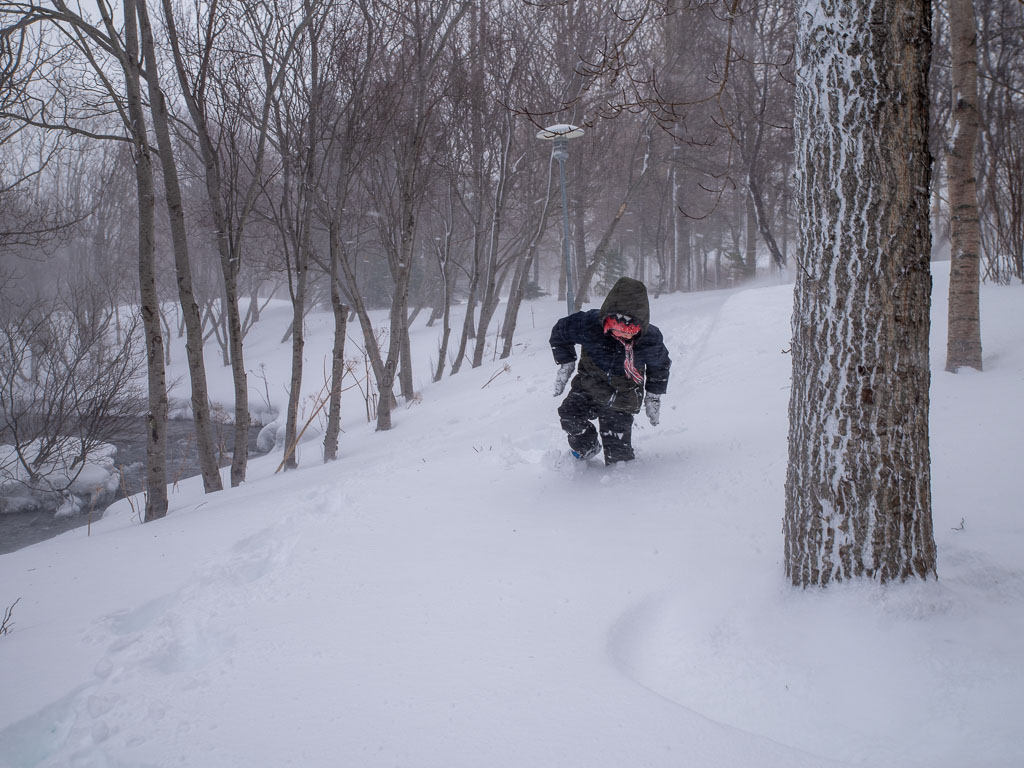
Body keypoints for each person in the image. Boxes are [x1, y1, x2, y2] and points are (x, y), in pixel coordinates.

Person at [549, 276, 671, 464]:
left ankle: (618, 480)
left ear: (641, 324)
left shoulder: (649, 340)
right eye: (617, 327)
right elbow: (560, 331)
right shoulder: (589, 325)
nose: (622, 333)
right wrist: (566, 361)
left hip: (622, 398)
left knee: (618, 459)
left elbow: (660, 366)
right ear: (606, 318)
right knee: (569, 415)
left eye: (629, 329)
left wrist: (653, 395)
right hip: (588, 386)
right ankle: (587, 446)